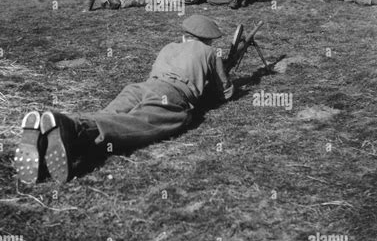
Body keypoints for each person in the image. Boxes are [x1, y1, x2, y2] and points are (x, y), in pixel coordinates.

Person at [14, 15, 235, 184]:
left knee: (108, 116)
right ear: (208, 39)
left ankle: (52, 128)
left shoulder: (169, 47)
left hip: (141, 87)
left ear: (185, 36)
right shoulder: (209, 52)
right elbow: (224, 92)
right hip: (173, 95)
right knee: (136, 124)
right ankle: (72, 127)